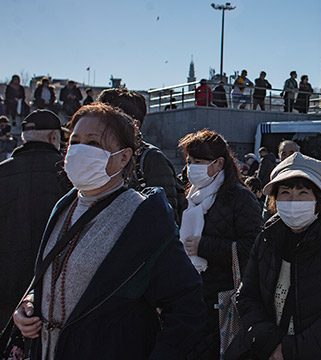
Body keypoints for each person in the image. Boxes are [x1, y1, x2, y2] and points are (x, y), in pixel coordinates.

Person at [12, 103, 207, 359]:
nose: (80, 150)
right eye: (75, 141)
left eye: (93, 143)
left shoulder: (143, 218)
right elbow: (59, 274)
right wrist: (30, 303)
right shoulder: (64, 206)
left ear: (123, 157)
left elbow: (186, 305)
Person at [227, 153, 321, 359]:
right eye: (285, 193)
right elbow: (247, 295)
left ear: (319, 200)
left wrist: (290, 351)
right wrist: (270, 343)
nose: (293, 200)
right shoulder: (266, 239)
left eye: (303, 193)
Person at [178, 129, 262, 359]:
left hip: (222, 300)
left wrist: (204, 246)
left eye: (198, 162)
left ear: (218, 163)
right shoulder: (191, 197)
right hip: (192, 296)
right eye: (189, 161)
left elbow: (254, 245)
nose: (191, 167)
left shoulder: (240, 198)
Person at [0, 110, 71, 325]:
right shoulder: (68, 174)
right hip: (54, 287)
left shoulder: (2, 172)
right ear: (53, 137)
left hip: (5, 286)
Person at [96, 88, 183, 218]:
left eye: (109, 120)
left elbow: (165, 220)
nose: (99, 126)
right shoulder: (97, 155)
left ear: (134, 124)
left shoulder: (152, 160)